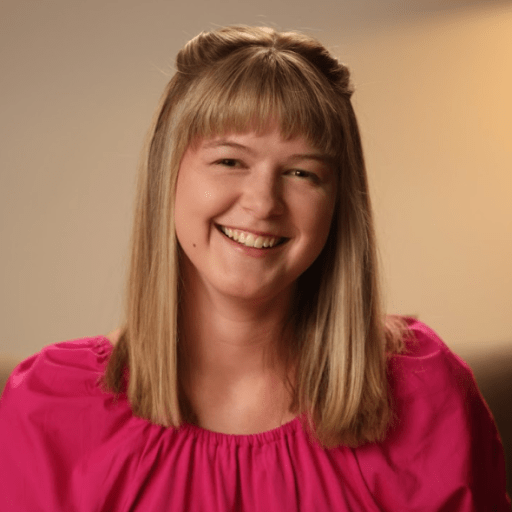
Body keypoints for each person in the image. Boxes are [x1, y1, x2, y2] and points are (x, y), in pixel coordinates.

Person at [0, 25, 509, 511]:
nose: (263, 202)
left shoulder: (424, 394)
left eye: (302, 172)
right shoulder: (51, 407)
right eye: (230, 161)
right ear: (167, 177)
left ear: (338, 203)